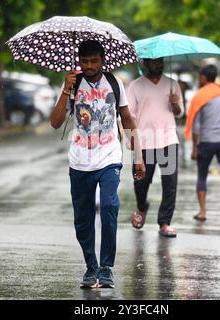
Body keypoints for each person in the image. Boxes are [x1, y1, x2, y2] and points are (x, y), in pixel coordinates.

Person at [50, 40, 146, 289]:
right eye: (84, 61)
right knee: (82, 219)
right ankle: (91, 266)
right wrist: (65, 90)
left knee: (110, 206)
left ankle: (106, 267)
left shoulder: (115, 83)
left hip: (109, 156)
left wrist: (138, 156)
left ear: (103, 60)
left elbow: (127, 119)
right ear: (79, 61)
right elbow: (55, 122)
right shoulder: (72, 83)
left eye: (94, 61)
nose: (89, 66)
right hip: (79, 160)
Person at [127, 57, 184, 237]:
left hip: (168, 139)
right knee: (141, 181)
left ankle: (164, 222)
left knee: (170, 183)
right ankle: (142, 207)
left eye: (160, 62)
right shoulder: (135, 86)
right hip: (145, 141)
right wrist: (131, 140)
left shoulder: (172, 84)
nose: (157, 65)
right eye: (153, 62)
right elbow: (129, 116)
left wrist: (175, 104)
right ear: (145, 63)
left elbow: (179, 112)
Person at [184, 65, 220, 222]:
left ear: (203, 77)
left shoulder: (200, 96)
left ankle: (202, 212)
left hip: (207, 141)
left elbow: (196, 126)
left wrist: (195, 147)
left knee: (202, 176)